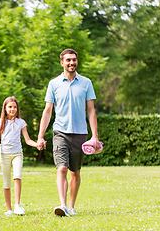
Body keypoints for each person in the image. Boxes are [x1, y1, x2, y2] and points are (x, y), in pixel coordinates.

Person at [37, 49, 100, 217]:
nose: (71, 63)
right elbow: (48, 111)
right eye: (68, 60)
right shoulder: (54, 84)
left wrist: (95, 136)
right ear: (62, 63)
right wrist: (40, 136)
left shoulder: (86, 83)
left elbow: (91, 111)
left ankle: (72, 206)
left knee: (75, 172)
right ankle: (62, 206)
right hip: (60, 132)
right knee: (62, 168)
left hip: (80, 134)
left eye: (74, 60)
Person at [0, 96, 37, 215]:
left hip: (17, 154)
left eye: (15, 107)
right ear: (5, 108)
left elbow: (27, 140)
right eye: (10, 107)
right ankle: (9, 209)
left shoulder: (21, 123)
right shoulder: (0, 122)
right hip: (4, 154)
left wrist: (37, 144)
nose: (12, 109)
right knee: (6, 183)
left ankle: (17, 205)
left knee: (17, 176)